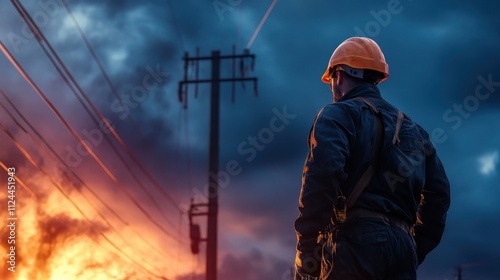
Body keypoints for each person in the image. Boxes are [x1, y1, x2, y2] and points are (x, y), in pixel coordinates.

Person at [294, 37, 451, 280]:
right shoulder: (416, 132)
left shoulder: (337, 115)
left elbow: (322, 175)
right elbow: (439, 195)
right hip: (402, 250)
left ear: (338, 76)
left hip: (353, 245)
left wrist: (306, 249)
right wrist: (413, 248)